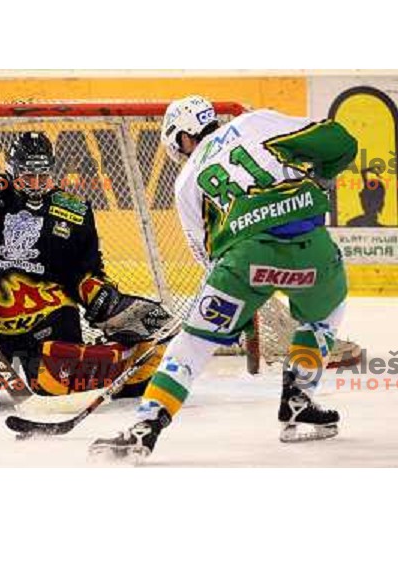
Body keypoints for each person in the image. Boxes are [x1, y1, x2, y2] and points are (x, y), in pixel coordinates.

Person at [89, 95, 358, 459]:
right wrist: (322, 178)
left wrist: (233, 302)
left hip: (243, 262)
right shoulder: (255, 122)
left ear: (181, 137)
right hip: (313, 251)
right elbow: (340, 141)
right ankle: (299, 398)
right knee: (325, 312)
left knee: (194, 344)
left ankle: (145, 426)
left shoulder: (185, 180)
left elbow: (206, 255)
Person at [0, 131, 170, 410]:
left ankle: (131, 355)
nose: (36, 184)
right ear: (11, 168)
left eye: (43, 176)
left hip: (47, 317)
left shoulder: (74, 212)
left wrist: (102, 298)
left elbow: (85, 272)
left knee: (61, 392)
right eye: (28, 175)